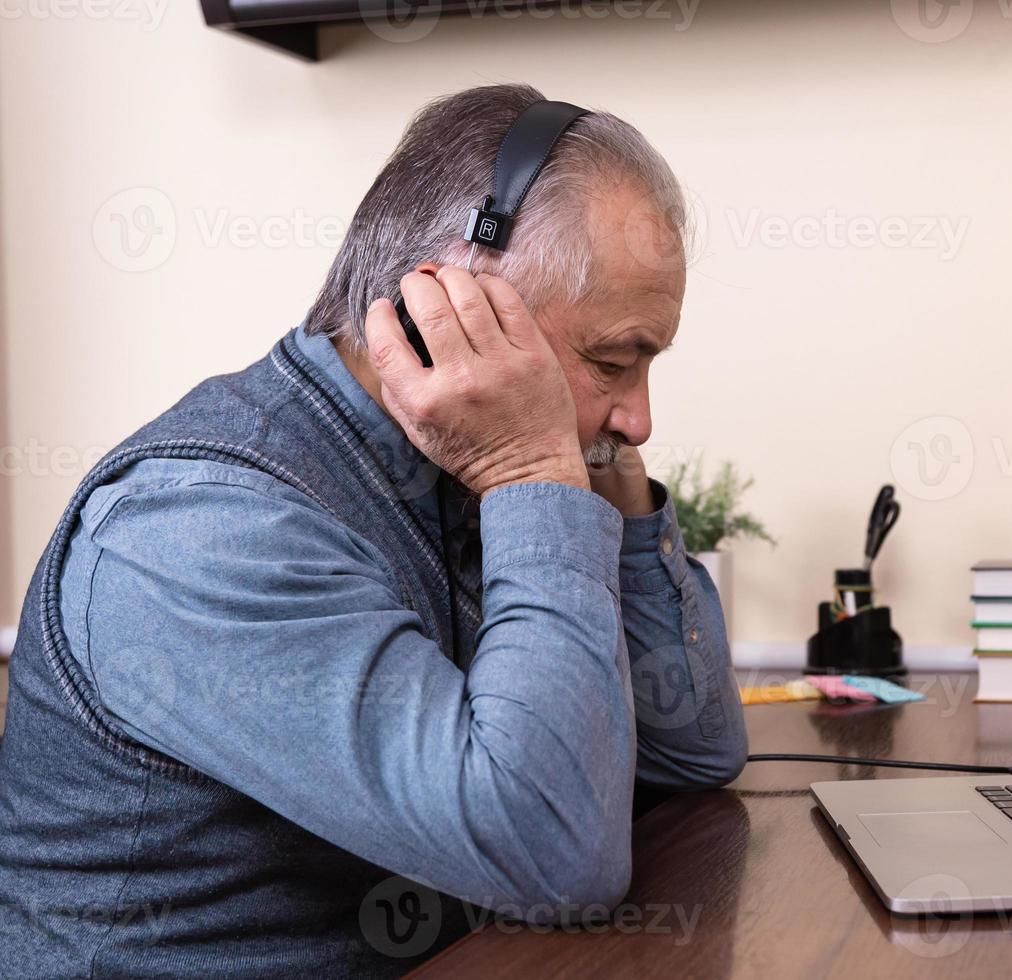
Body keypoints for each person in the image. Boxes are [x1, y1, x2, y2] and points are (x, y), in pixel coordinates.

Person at [0, 84, 747, 976]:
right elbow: (555, 858)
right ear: (448, 308)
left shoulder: (462, 465)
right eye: (612, 360)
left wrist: (593, 456)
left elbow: (694, 750)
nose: (641, 417)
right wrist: (533, 472)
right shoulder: (200, 530)